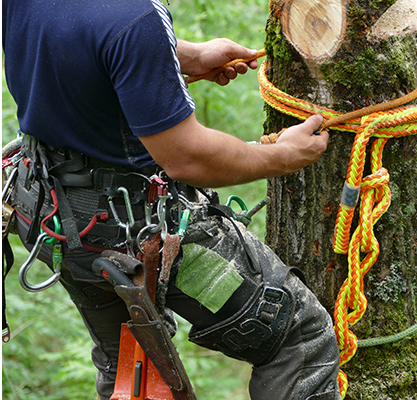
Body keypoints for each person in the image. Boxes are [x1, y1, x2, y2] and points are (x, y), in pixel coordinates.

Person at [2, 0, 341, 399]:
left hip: (48, 211)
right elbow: (186, 157)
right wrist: (283, 156)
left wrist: (182, 55)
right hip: (130, 228)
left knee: (131, 370)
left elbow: (75, 36)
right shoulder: (135, 16)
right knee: (298, 337)